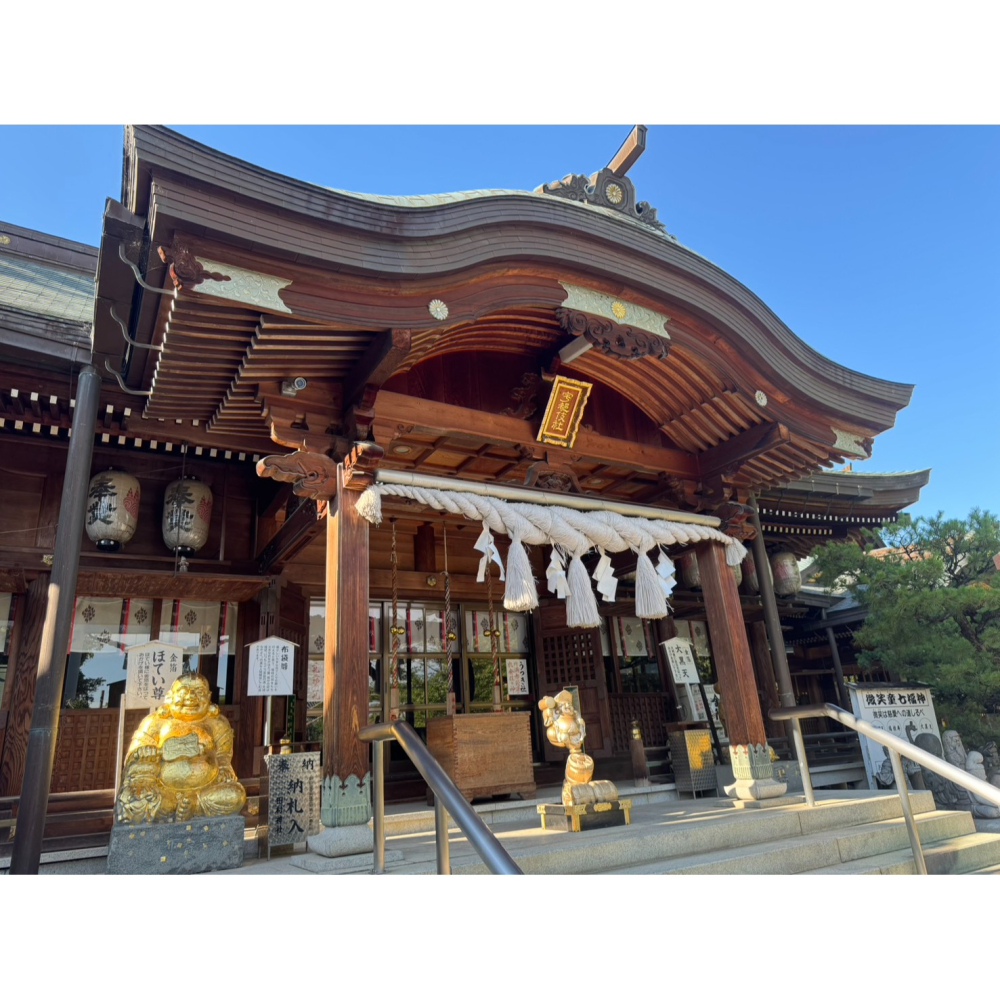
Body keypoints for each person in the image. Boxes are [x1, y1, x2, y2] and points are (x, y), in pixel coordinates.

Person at [117, 672, 246, 823]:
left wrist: (223, 768)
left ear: (209, 697)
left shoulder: (217, 723)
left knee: (236, 795)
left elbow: (224, 756)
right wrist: (144, 755)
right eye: (184, 692)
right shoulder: (155, 722)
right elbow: (132, 757)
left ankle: (194, 806)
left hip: (205, 791)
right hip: (163, 791)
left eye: (199, 692)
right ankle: (173, 806)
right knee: (133, 800)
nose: (191, 697)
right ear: (170, 696)